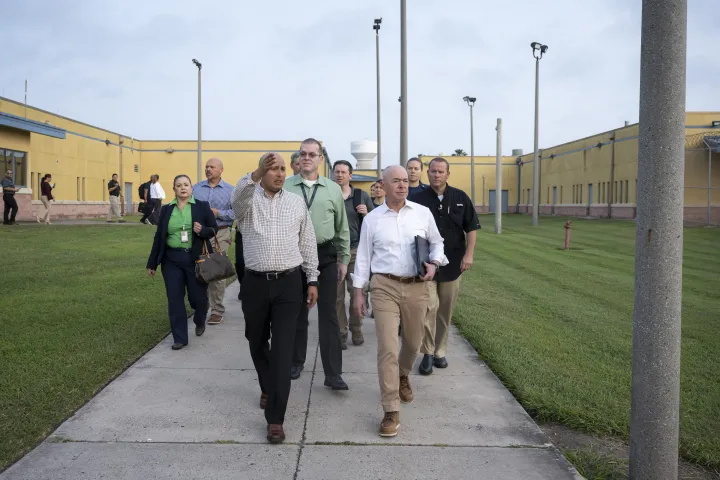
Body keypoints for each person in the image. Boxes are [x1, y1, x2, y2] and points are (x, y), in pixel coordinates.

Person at [352, 165, 447, 438]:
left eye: (405, 181)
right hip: (384, 286)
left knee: (414, 343)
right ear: (383, 184)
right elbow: (363, 258)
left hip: (417, 286)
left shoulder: (422, 213)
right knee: (387, 348)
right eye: (396, 181)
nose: (402, 186)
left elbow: (437, 243)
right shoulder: (372, 219)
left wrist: (435, 263)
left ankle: (403, 374)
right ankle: (390, 409)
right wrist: (359, 291)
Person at [231, 152, 319, 444]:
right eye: (273, 169)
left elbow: (307, 242)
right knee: (255, 340)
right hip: (255, 284)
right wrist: (255, 174)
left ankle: (276, 419)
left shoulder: (296, 203)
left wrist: (312, 279)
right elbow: (237, 199)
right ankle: (267, 384)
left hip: (288, 284)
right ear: (262, 172)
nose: (279, 173)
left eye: (283, 168)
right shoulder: (248, 203)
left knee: (282, 351)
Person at [284, 138, 351, 390]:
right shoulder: (287, 186)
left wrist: (343, 258)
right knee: (296, 313)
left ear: (321, 159)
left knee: (329, 315)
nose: (307, 158)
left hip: (325, 256)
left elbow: (341, 226)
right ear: (298, 158)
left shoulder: (333, 188)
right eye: (303, 154)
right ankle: (295, 361)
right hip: (294, 256)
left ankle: (333, 373)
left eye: (312, 154)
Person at [409, 158, 480, 375]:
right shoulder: (417, 198)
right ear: (427, 173)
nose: (436, 175)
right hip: (427, 263)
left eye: (440, 172)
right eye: (433, 171)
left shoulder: (460, 198)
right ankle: (428, 353)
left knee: (445, 310)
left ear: (448, 174)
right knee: (429, 308)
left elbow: (471, 227)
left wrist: (469, 254)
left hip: (453, 264)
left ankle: (440, 351)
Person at [146, 174, 218, 350]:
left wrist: (203, 230)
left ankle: (200, 317)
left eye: (186, 184)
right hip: (171, 260)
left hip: (196, 259)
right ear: (174, 189)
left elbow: (213, 229)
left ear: (191, 188)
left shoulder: (201, 206)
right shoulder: (166, 210)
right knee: (175, 299)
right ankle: (180, 338)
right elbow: (159, 236)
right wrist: (152, 263)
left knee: (198, 298)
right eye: (179, 185)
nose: (183, 188)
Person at [332, 160, 374, 348]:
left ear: (350, 175)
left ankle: (356, 329)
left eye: (343, 172)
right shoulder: (328, 194)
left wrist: (366, 213)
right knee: (337, 296)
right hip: (334, 252)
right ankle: (341, 331)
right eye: (337, 171)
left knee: (358, 292)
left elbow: (376, 222)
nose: (339, 175)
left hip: (356, 250)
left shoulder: (361, 195)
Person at [192, 158, 235, 325]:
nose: (208, 169)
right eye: (207, 167)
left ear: (221, 170)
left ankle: (217, 310)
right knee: (201, 269)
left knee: (216, 270)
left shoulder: (231, 190)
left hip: (221, 234)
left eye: (212, 167)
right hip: (199, 234)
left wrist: (219, 213)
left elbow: (236, 213)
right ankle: (203, 304)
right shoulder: (196, 189)